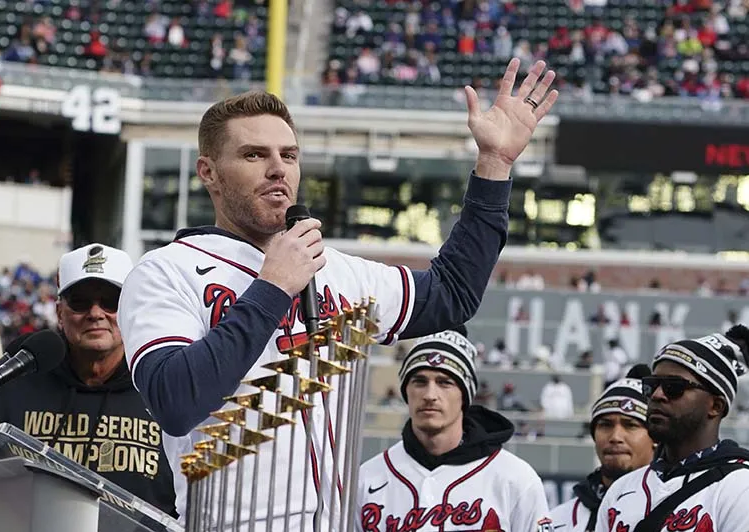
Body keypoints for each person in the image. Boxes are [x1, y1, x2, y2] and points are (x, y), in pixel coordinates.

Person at [118, 57, 559, 529]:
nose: (277, 169)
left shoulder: (335, 271)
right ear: (208, 171)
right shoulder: (167, 270)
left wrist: (493, 166)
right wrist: (272, 288)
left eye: (288, 155)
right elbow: (176, 400)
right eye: (254, 155)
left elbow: (452, 294)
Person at [0, 243, 176, 517]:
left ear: (131, 309)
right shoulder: (16, 384)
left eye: (111, 301)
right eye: (80, 302)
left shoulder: (161, 386)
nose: (96, 313)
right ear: (59, 313)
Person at [355, 328, 552, 531]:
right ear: (406, 391)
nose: (430, 394)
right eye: (419, 382)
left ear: (464, 396)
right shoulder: (368, 478)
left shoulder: (515, 479)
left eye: (444, 382)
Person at [596, 326, 749, 532]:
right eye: (652, 385)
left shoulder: (740, 487)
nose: (657, 395)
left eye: (674, 387)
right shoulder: (621, 489)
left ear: (715, 406)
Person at [549, 364, 655, 531]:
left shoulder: (679, 514)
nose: (615, 437)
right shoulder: (558, 521)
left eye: (630, 425)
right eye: (605, 425)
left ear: (655, 437)